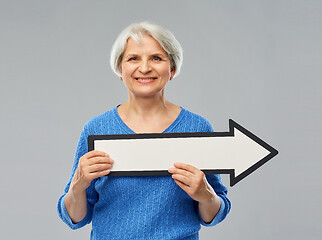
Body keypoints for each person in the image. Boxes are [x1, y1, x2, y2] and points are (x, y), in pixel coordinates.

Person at [57, 21, 231, 239]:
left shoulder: (197, 128)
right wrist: (77, 185)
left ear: (173, 68)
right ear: (120, 69)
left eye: (156, 58)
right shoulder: (96, 129)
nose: (145, 67)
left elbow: (214, 214)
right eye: (133, 58)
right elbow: (75, 218)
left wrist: (205, 195)